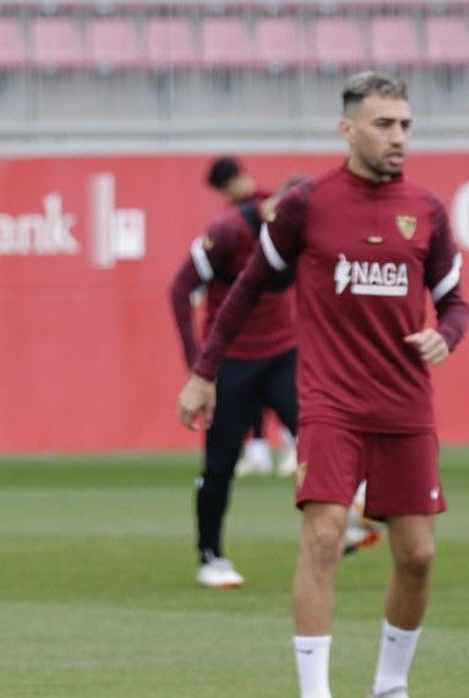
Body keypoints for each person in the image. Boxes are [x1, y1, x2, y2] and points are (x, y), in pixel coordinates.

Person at [178, 72, 467, 698]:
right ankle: (316, 692)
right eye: (384, 124)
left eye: (406, 125)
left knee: (417, 556)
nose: (398, 138)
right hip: (331, 401)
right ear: (348, 129)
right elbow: (250, 285)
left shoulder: (427, 209)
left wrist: (446, 334)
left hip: (406, 404)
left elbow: (454, 303)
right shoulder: (309, 204)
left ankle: (390, 685)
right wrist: (204, 372)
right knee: (326, 535)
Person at [170, 178, 303, 588]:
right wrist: (199, 369)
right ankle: (211, 557)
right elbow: (180, 289)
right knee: (220, 465)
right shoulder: (230, 231)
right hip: (232, 363)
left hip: (284, 355)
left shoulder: (307, 233)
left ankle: (345, 523)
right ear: (274, 205)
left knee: (322, 439)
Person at [205, 155, 297, 477]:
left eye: (228, 185)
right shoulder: (229, 222)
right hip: (249, 325)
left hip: (282, 319)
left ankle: (291, 446)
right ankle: (257, 447)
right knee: (253, 393)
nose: (228, 193)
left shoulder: (272, 208)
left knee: (287, 392)